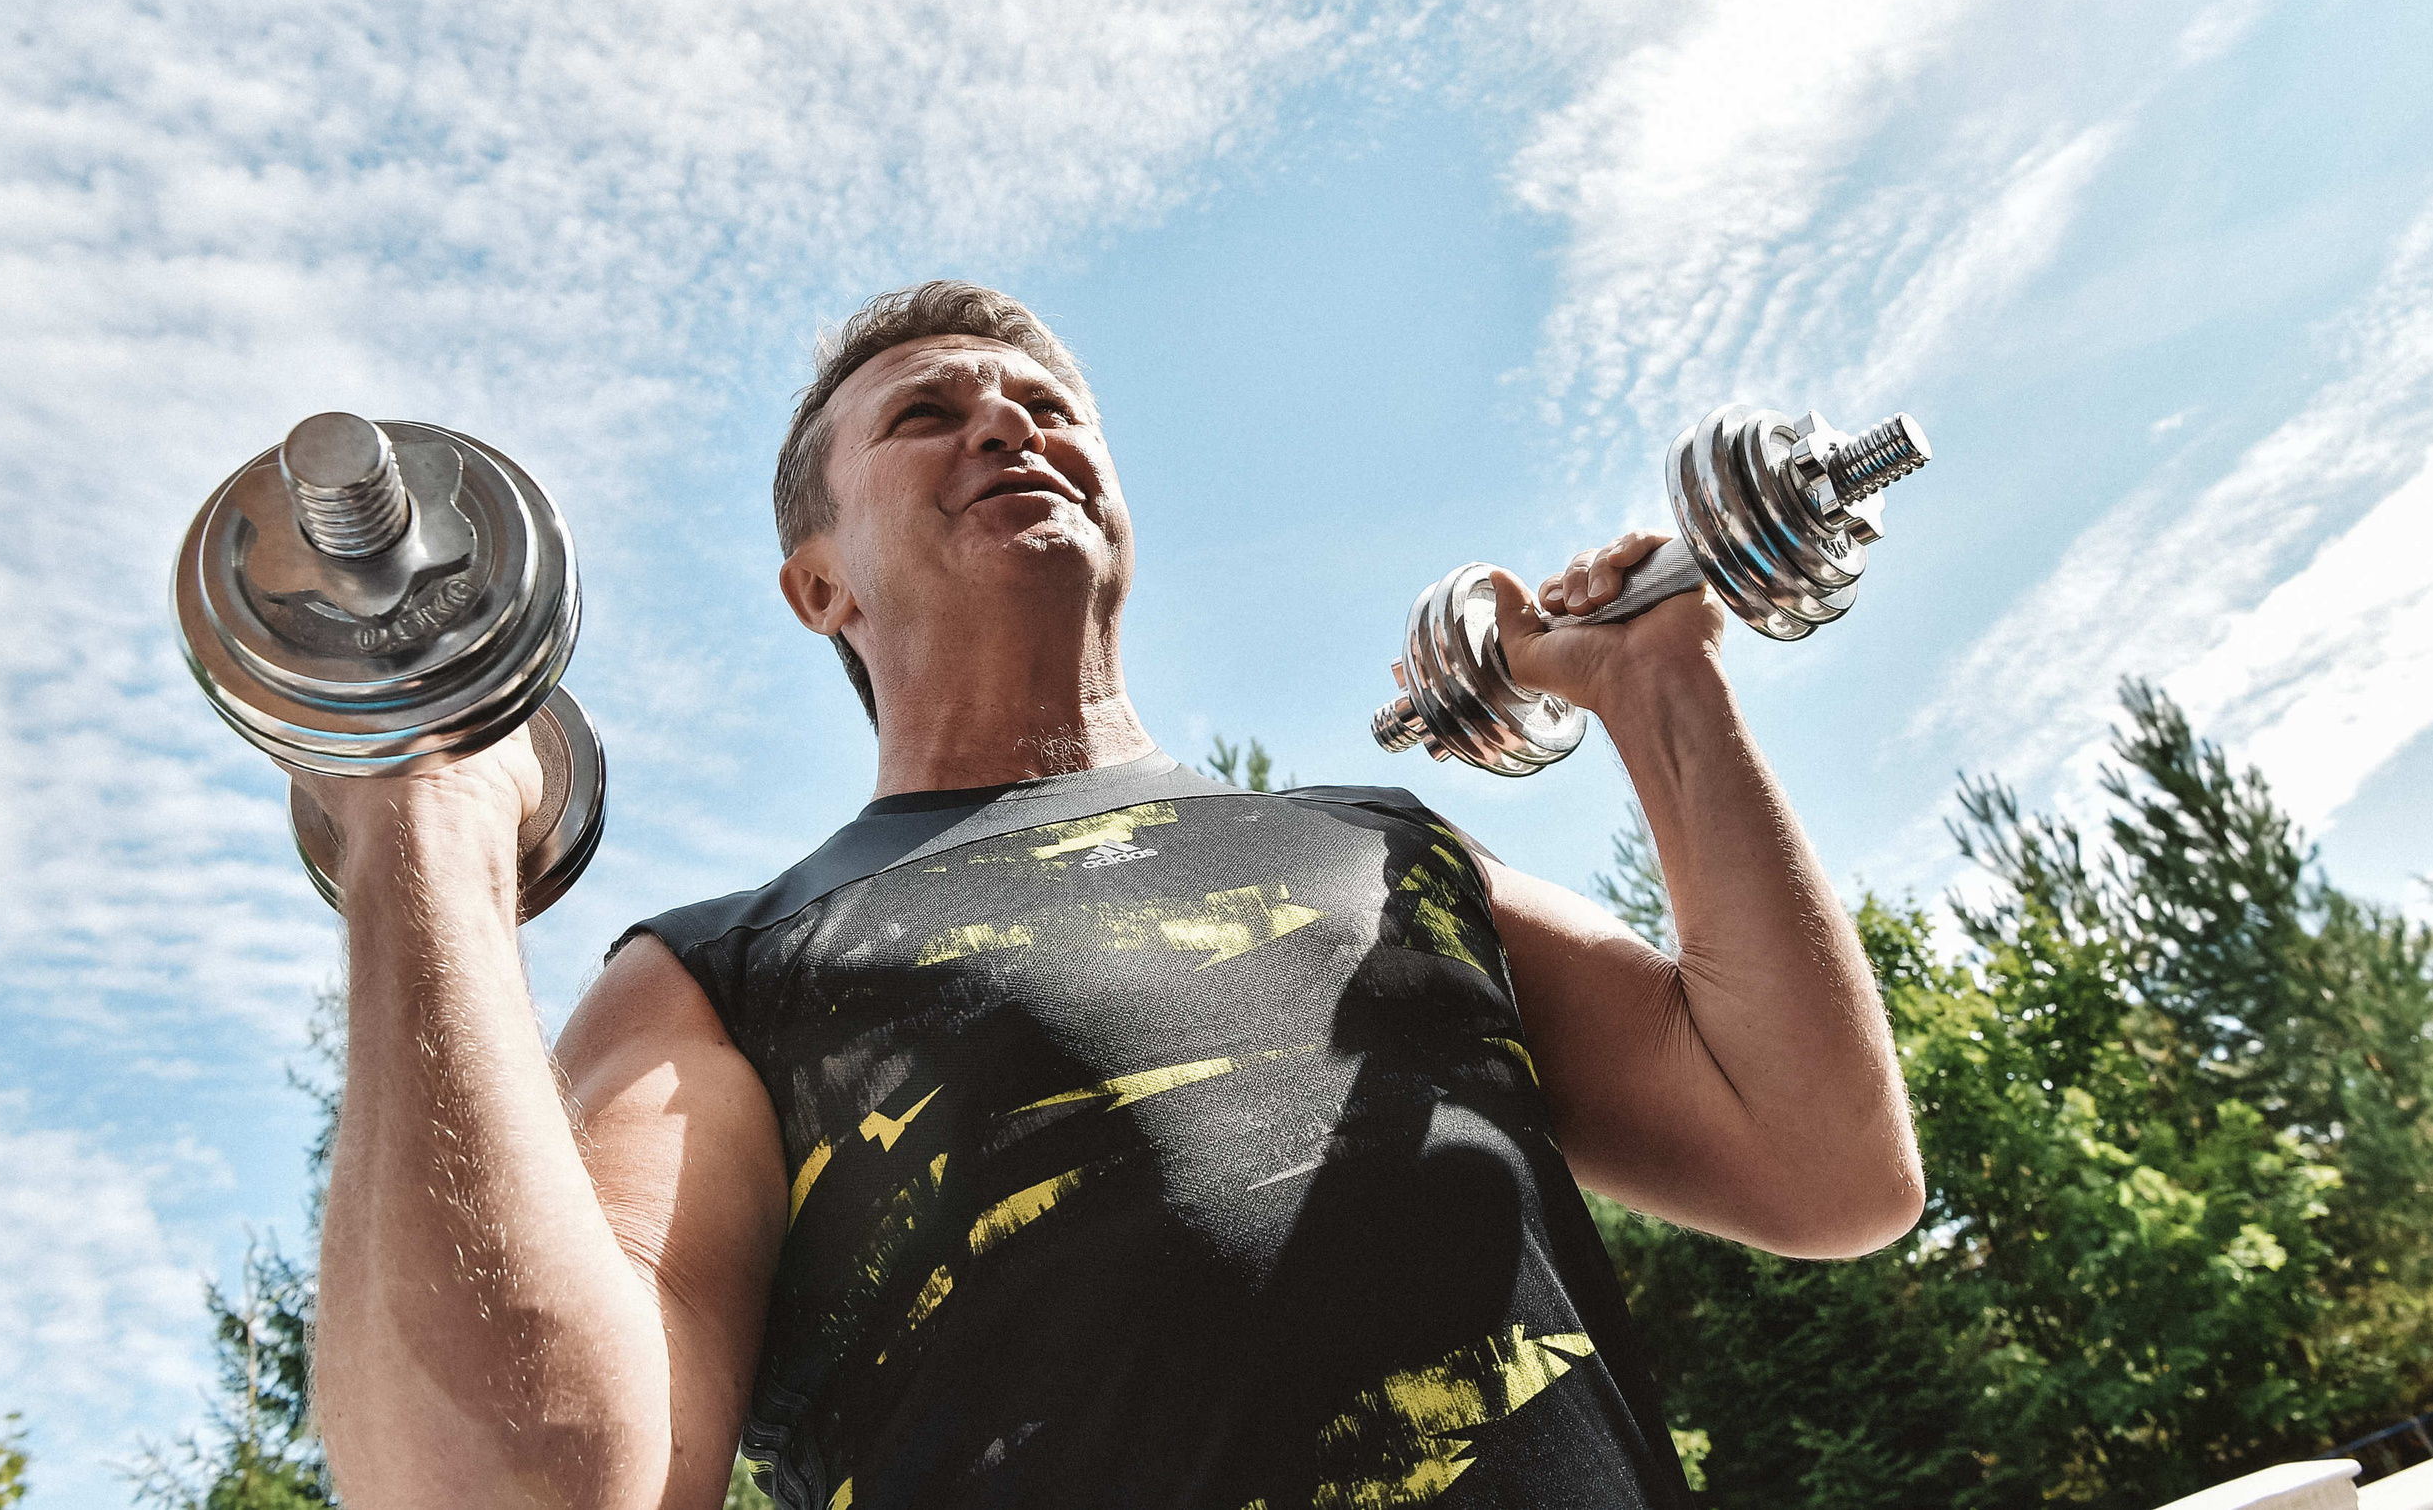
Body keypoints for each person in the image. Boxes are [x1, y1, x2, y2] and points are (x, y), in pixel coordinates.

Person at [305, 281, 1924, 1510]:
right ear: (820, 586)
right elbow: (510, 1488)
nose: (1010, 425)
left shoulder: (1389, 847)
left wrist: (1662, 693)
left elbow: (1828, 1163)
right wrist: (425, 812)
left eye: (1048, 404)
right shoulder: (730, 975)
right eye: (928, 413)